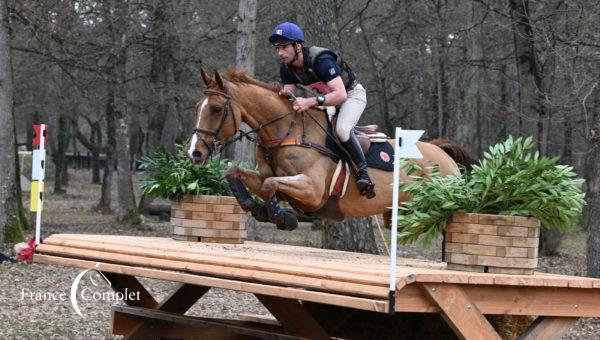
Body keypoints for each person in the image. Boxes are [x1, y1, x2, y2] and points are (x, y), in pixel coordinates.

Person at [269, 22, 375, 199]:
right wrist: (278, 95)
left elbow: (340, 95)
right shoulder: (286, 67)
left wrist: (310, 101)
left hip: (351, 96)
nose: (280, 52)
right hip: (327, 100)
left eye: (284, 47)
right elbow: (290, 93)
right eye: (277, 48)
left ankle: (363, 173)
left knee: (342, 129)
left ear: (297, 46)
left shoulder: (321, 60)